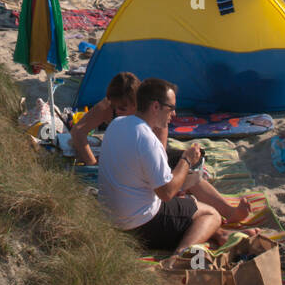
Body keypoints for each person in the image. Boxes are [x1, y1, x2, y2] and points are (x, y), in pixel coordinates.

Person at [96, 78, 224, 254]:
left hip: (110, 218)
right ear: (155, 106)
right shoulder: (147, 139)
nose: (174, 114)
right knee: (211, 214)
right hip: (139, 224)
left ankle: (219, 234)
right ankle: (180, 255)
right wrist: (186, 160)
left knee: (189, 204)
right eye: (171, 108)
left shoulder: (117, 124)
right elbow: (166, 193)